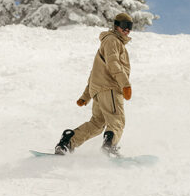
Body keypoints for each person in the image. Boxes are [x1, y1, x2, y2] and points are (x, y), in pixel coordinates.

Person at [54, 12, 134, 157]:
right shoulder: (112, 41)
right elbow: (113, 64)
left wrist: (85, 96)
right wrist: (125, 85)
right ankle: (110, 147)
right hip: (110, 88)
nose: (127, 29)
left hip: (98, 91)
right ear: (116, 26)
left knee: (97, 124)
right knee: (117, 120)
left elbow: (94, 73)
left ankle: (67, 142)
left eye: (130, 26)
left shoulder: (108, 42)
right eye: (124, 26)